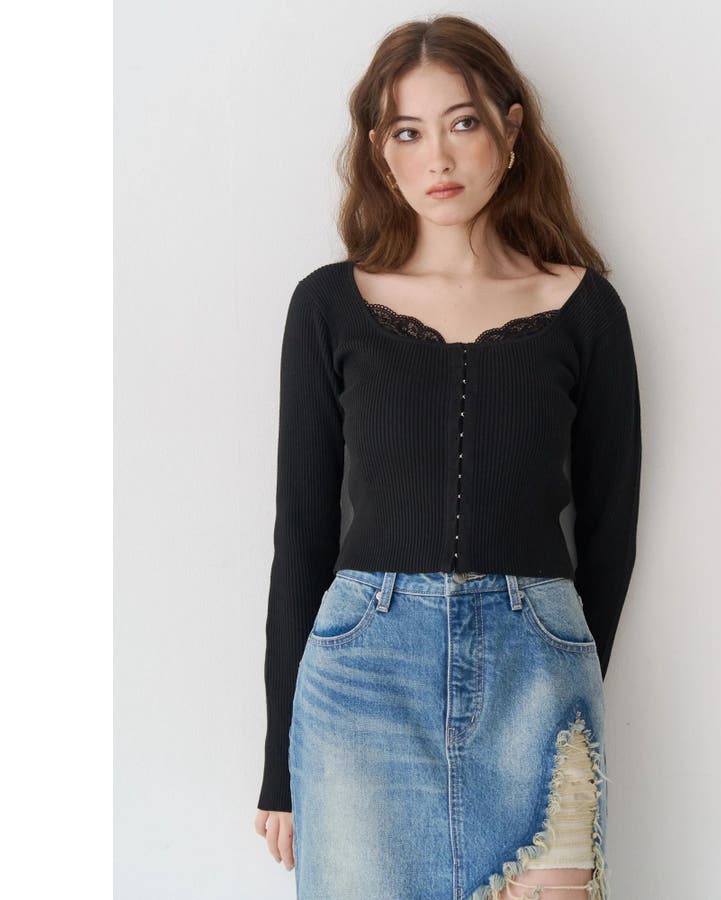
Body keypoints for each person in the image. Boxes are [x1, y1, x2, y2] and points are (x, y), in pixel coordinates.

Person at [253, 15, 642, 900]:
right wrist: (280, 759)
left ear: (511, 130)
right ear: (379, 152)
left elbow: (610, 532)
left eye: (462, 122)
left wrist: (570, 679)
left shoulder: (587, 311)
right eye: (407, 131)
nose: (438, 157)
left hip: (539, 676)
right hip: (361, 683)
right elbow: (301, 538)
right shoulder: (328, 307)